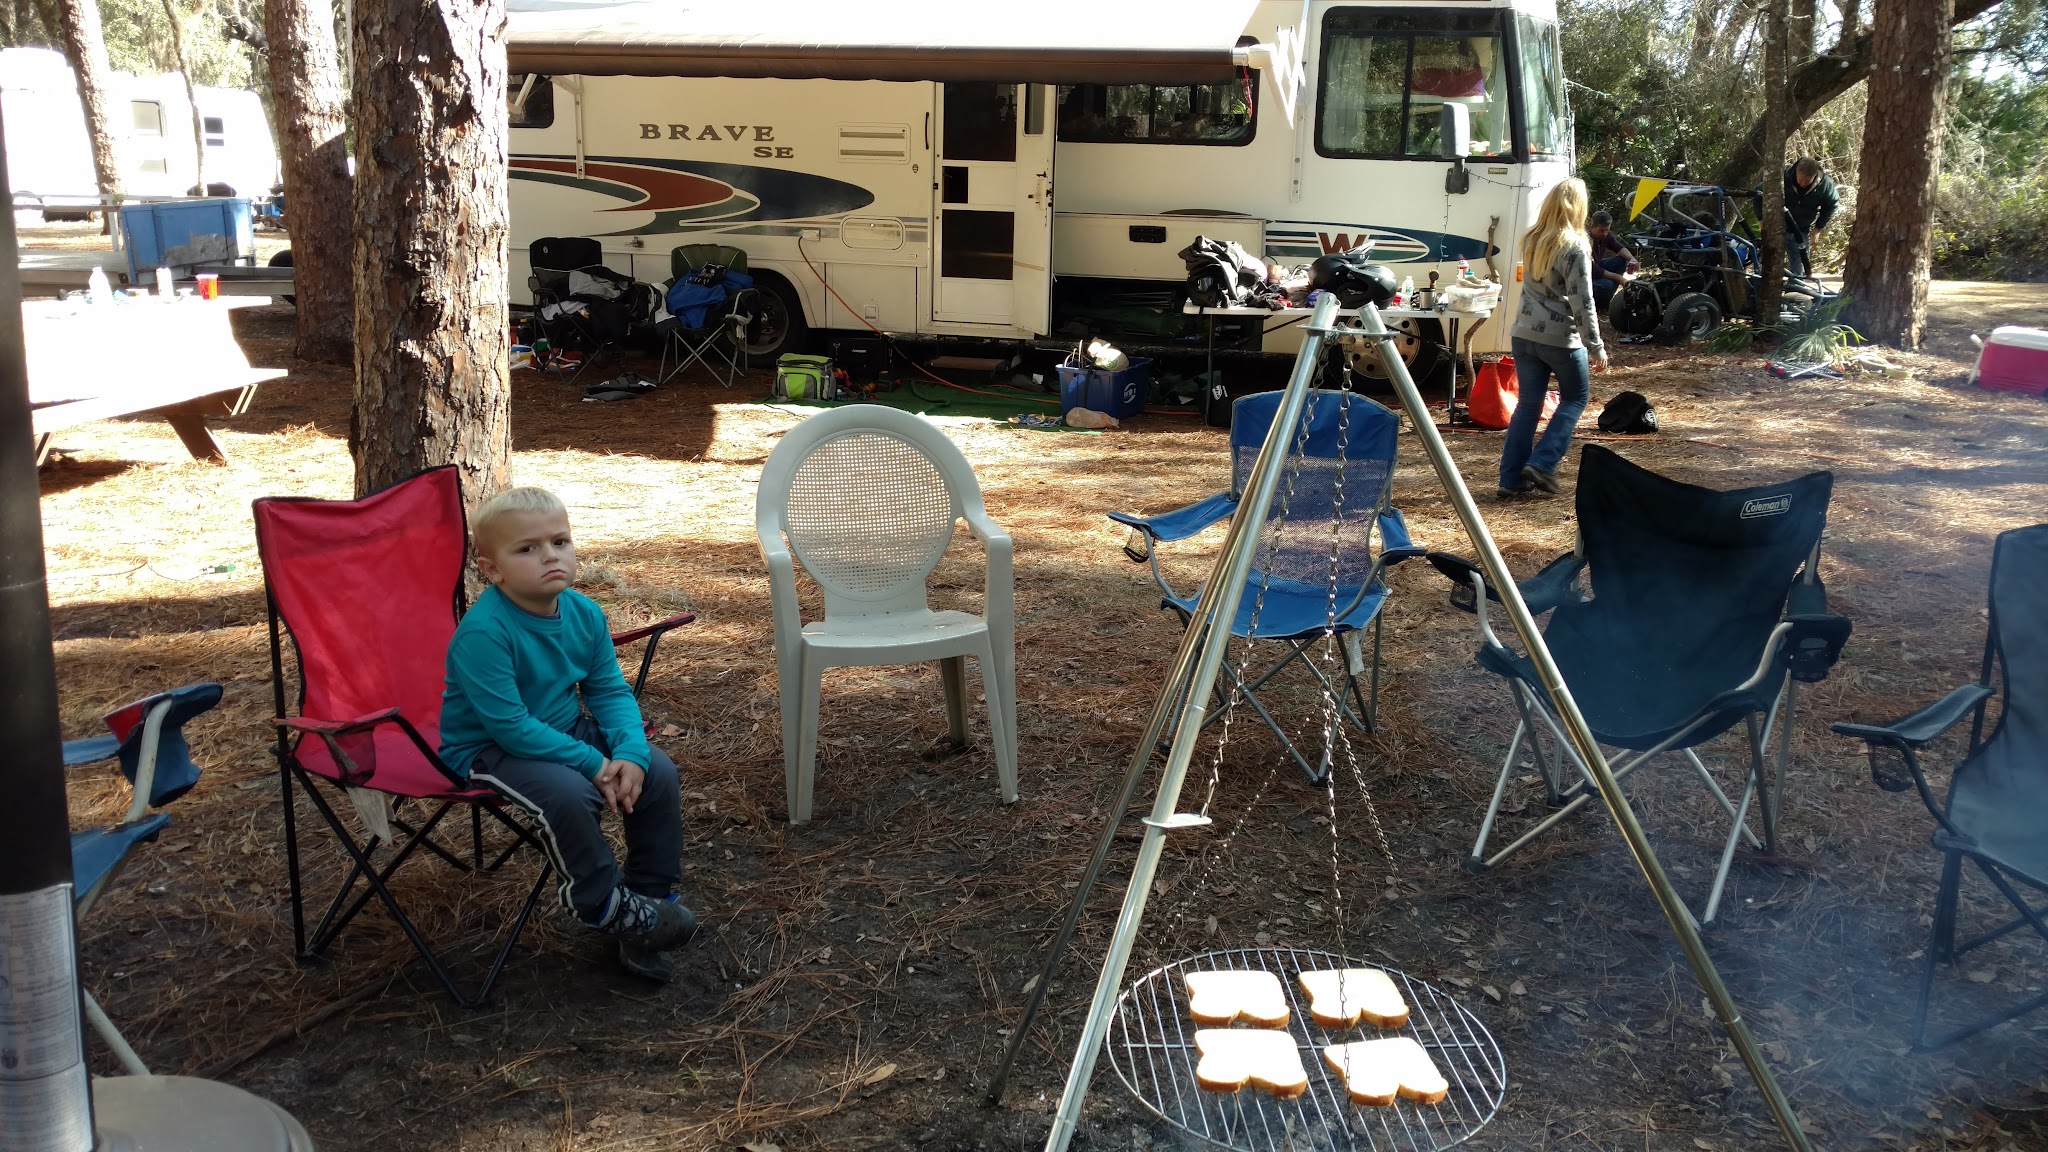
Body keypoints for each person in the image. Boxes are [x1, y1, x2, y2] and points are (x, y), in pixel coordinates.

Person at [438, 486, 696, 982]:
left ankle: (646, 900)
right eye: (527, 548)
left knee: (659, 772)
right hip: (487, 749)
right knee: (571, 792)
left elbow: (608, 692)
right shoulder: (484, 633)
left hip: (559, 731)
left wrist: (631, 754)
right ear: (493, 569)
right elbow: (509, 727)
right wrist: (594, 764)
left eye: (560, 541)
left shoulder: (583, 614)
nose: (550, 556)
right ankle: (599, 901)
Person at [1500, 177, 1606, 500]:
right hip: (1560, 339)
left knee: (1528, 405)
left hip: (1524, 334)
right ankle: (1543, 462)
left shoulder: (1532, 239)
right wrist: (1595, 345)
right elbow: (1582, 301)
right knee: (1576, 396)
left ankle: (1510, 478)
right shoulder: (1574, 245)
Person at [1783, 156, 1839, 278]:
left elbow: (1832, 204)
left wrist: (1818, 228)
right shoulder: (1783, 176)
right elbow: (1759, 192)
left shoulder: (1825, 184)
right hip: (1777, 227)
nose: (1803, 184)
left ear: (1815, 176)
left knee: (1799, 268)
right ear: (1797, 171)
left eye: (1807, 181)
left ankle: (1796, 292)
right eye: (1800, 180)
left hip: (1800, 230)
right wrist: (1762, 219)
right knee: (1766, 263)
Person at [1586, 210, 1638, 310]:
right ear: (1592, 226)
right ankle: (1598, 304)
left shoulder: (1605, 235)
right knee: (1607, 284)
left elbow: (1619, 248)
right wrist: (1619, 278)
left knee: (1620, 261)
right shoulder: (1585, 240)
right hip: (1586, 274)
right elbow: (1592, 268)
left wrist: (1632, 259)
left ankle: (1606, 300)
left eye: (1607, 230)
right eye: (1601, 230)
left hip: (1596, 267)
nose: (1605, 233)